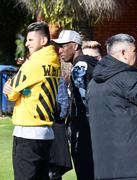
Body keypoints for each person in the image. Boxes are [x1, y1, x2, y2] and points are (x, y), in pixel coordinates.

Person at [3, 21, 60, 180]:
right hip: (46, 133)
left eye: (30, 40)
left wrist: (15, 90)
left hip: (27, 132)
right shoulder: (54, 60)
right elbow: (34, 87)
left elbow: (11, 93)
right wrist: (24, 90)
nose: (27, 43)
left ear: (43, 41)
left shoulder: (33, 62)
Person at [87, 34, 137, 179]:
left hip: (103, 168)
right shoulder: (129, 77)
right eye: (134, 52)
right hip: (133, 166)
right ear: (124, 53)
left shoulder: (93, 84)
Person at [52, 30, 98, 180]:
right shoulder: (86, 63)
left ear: (75, 46)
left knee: (86, 172)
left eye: (63, 46)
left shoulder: (80, 67)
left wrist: (78, 127)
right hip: (91, 131)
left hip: (85, 131)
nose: (59, 51)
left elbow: (83, 102)